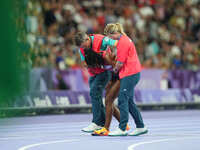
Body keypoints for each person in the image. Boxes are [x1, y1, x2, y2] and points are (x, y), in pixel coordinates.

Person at [103, 23, 148, 136]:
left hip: (130, 73)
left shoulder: (122, 42)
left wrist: (113, 71)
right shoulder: (125, 39)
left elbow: (119, 63)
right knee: (129, 101)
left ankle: (122, 128)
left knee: (122, 99)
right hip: (132, 73)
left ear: (113, 33)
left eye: (109, 36)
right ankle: (141, 126)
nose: (109, 39)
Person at [74, 32, 119, 132]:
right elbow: (84, 62)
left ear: (87, 39)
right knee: (97, 97)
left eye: (85, 46)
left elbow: (117, 43)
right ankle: (106, 123)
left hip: (105, 72)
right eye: (82, 47)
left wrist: (116, 56)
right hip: (93, 73)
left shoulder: (102, 40)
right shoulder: (81, 48)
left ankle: (97, 122)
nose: (84, 49)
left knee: (94, 92)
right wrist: (89, 64)